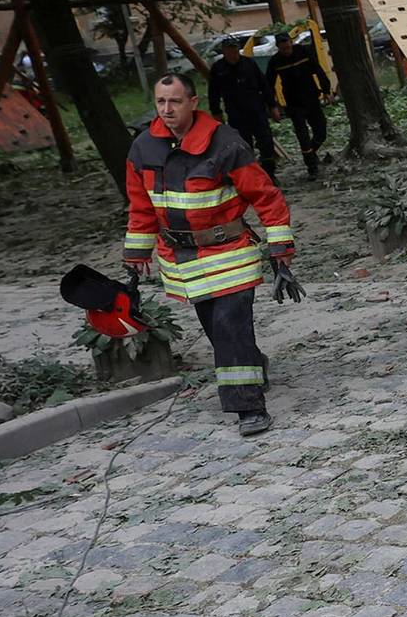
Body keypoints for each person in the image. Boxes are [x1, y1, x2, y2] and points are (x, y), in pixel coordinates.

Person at [124, 73, 296, 436]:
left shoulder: (225, 143)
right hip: (183, 259)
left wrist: (280, 247)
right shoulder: (143, 148)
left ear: (193, 102)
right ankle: (252, 364)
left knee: (230, 327)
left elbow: (265, 196)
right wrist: (137, 251)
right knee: (219, 330)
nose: (167, 109)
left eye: (175, 101)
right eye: (160, 102)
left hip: (229, 253)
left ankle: (248, 407)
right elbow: (140, 204)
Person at [207, 35, 279, 179]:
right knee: (244, 147)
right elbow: (213, 93)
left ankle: (270, 175)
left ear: (238, 49)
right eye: (228, 49)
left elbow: (264, 86)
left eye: (234, 49)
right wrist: (216, 112)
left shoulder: (249, 63)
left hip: (256, 111)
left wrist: (272, 106)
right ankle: (252, 177)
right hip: (236, 114)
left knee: (266, 143)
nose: (232, 52)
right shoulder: (218, 68)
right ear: (224, 51)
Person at [267, 31, 333, 179]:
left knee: (321, 131)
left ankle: (312, 151)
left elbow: (318, 70)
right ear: (278, 47)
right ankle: (311, 167)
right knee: (302, 135)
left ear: (291, 42)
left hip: (311, 98)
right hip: (293, 103)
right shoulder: (275, 61)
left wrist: (326, 90)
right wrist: (273, 105)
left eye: (288, 46)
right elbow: (269, 85)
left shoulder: (304, 52)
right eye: (283, 48)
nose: (286, 50)